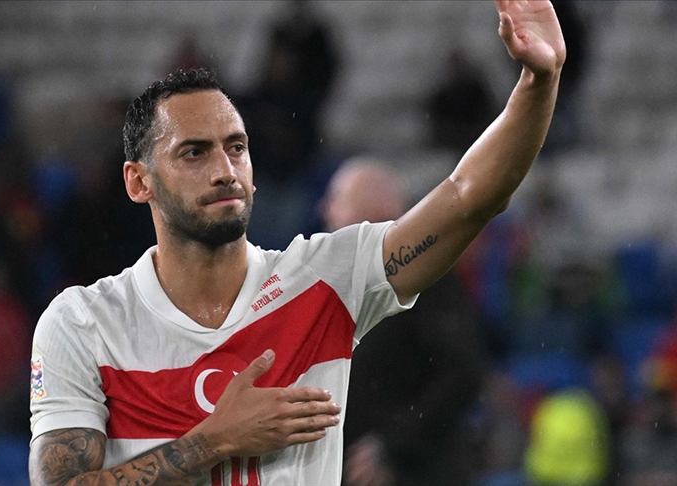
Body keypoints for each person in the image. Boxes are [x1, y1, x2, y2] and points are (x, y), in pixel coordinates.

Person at [28, 2, 566, 485]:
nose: (225, 170)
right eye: (194, 152)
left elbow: (469, 198)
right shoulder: (83, 323)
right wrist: (214, 441)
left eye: (236, 148)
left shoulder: (324, 279)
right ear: (138, 182)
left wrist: (539, 82)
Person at [320, 159, 485, 486]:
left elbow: (462, 374)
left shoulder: (428, 278)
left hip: (414, 474)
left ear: (374, 211)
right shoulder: (343, 282)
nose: (324, 209)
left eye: (337, 199)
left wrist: (394, 447)